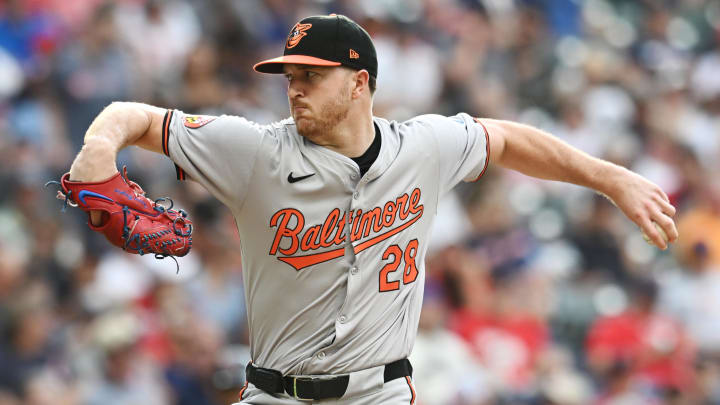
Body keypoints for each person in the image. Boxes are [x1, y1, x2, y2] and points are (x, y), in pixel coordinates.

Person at [64, 14, 678, 405]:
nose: (295, 85)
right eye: (289, 74)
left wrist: (611, 179)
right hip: (273, 394)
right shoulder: (253, 151)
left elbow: (511, 138)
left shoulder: (425, 147)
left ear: (359, 82)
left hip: (377, 394)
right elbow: (134, 116)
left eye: (313, 73)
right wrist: (97, 150)